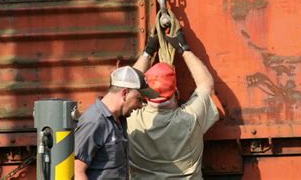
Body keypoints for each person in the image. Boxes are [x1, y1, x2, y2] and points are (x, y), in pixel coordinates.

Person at [128, 28, 219, 179]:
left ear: (144, 96)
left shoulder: (132, 120)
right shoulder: (190, 119)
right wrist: (184, 49)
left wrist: (148, 51)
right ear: (176, 93)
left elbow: (126, 86)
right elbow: (206, 84)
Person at [74, 65, 159, 180]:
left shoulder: (120, 119)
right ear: (125, 93)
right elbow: (77, 171)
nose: (140, 106)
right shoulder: (95, 121)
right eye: (139, 99)